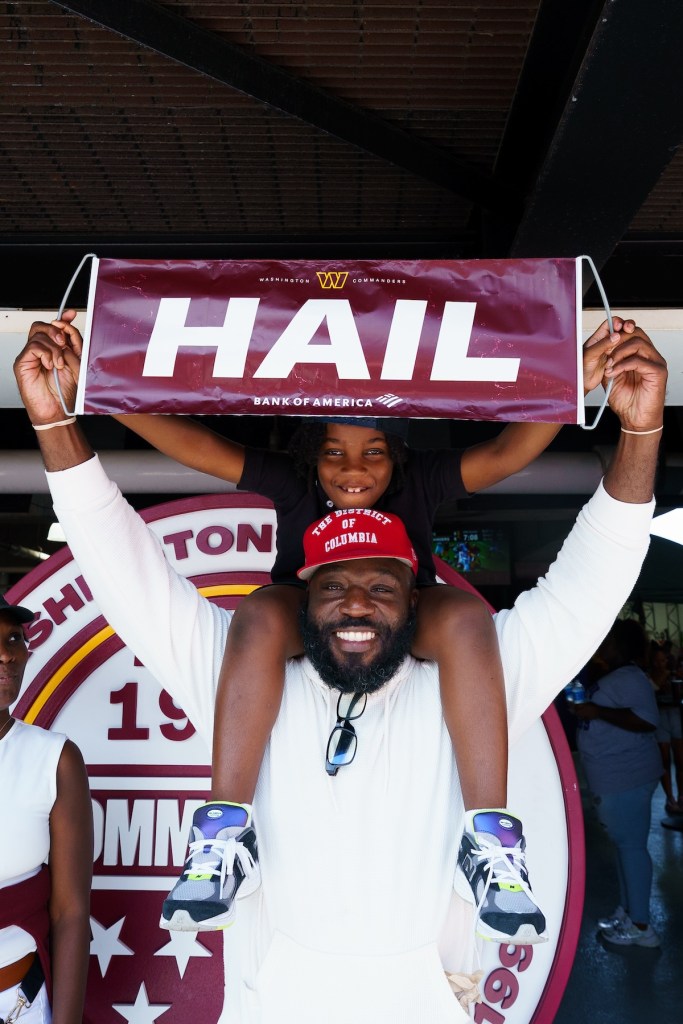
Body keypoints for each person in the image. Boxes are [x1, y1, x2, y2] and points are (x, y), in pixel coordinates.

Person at [13, 318, 665, 1023]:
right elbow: (119, 562)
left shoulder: (469, 681)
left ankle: (491, 843)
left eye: (382, 588)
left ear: (416, 599)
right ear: (303, 597)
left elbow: (591, 580)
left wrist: (640, 433)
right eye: (331, 586)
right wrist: (54, 418)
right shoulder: (244, 678)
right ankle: (223, 836)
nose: (356, 601)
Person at [0, 594, 93, 1024]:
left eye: (14, 638)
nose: (6, 654)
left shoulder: (54, 759)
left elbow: (70, 913)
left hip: (17, 1001)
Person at [573, 619, 663, 947]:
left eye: (608, 639)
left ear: (620, 645)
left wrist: (597, 711)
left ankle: (641, 927)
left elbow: (646, 720)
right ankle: (629, 911)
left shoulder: (629, 678)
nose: (602, 643)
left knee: (631, 848)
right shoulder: (618, 676)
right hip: (616, 776)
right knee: (626, 848)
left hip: (628, 776)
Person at [649, 642, 683, 814]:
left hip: (676, 714)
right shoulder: (649, 676)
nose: (659, 663)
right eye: (657, 660)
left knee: (680, 760)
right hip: (660, 716)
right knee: (664, 761)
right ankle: (670, 799)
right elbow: (652, 688)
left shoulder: (674, 674)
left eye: (663, 660)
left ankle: (682, 797)